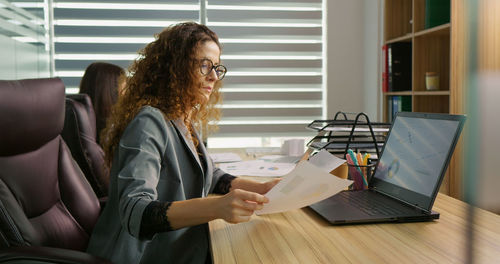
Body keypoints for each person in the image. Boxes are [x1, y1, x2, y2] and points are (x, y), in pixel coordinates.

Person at [86, 22, 280, 264]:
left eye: (217, 67)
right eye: (204, 65)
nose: (214, 76)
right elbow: (135, 213)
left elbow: (209, 175)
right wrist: (217, 207)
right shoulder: (148, 122)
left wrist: (261, 188)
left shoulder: (182, 117)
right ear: (174, 67)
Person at [79, 62, 126, 144]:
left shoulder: (76, 129)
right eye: (124, 88)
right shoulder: (114, 135)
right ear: (110, 91)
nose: (126, 93)